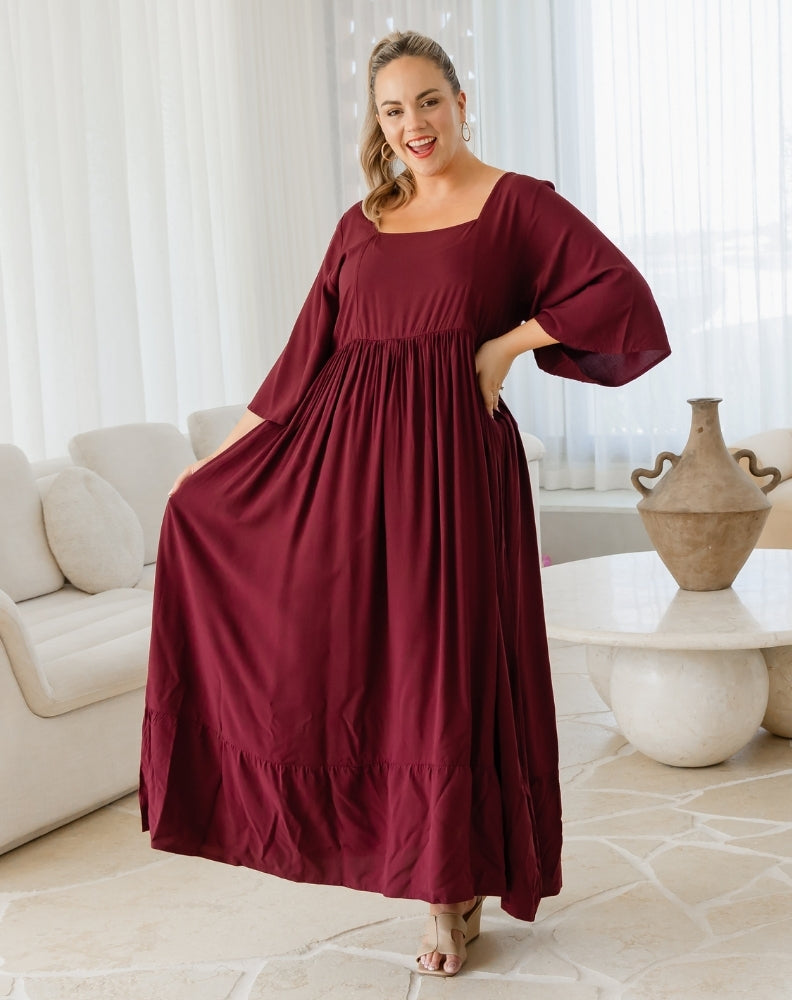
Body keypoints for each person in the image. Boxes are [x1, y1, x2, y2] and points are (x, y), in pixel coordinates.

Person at [139, 30, 670, 978]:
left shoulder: (518, 207)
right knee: (369, 674)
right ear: (376, 125)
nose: (414, 125)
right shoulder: (362, 223)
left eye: (429, 101)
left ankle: (447, 894)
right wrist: (208, 470)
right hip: (344, 473)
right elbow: (298, 367)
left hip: (453, 474)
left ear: (462, 102)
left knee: (446, 671)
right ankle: (430, 878)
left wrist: (505, 347)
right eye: (394, 110)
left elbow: (619, 296)